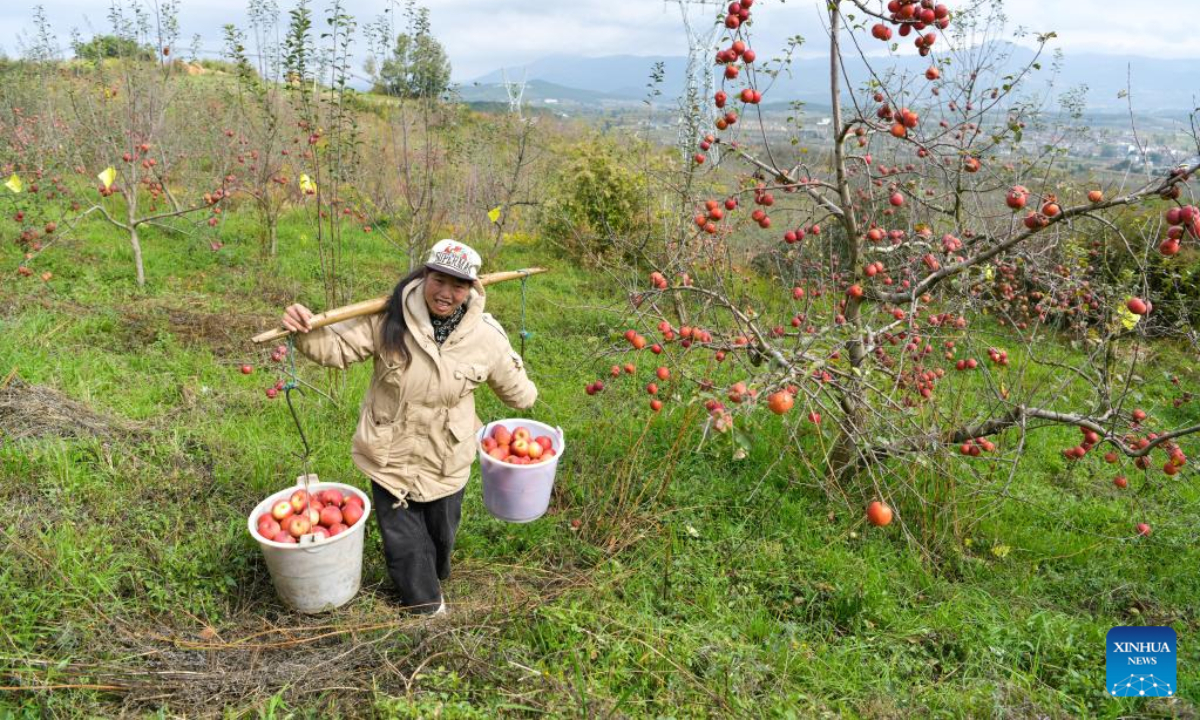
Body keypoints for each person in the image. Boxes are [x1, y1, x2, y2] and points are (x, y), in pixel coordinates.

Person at [280, 239, 537, 615]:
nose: (446, 293)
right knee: (404, 542)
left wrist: (523, 389)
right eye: (439, 279)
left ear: (472, 289)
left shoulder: (485, 337)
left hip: (445, 457)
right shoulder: (389, 317)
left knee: (440, 537)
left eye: (458, 285)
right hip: (389, 453)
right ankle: (426, 609)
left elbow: (520, 396)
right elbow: (337, 349)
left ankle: (434, 573)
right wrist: (304, 329)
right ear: (425, 275)